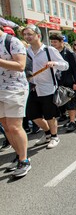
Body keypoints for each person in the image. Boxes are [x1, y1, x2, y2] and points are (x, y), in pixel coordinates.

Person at [22, 24, 69, 150]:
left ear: (38, 35)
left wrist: (55, 63)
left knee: (50, 115)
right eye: (25, 34)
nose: (27, 37)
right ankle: (47, 133)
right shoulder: (26, 52)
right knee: (33, 115)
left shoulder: (49, 50)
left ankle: (54, 136)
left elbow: (65, 65)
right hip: (32, 88)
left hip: (48, 88)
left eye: (30, 34)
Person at [0, 24, 31, 177]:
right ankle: (19, 155)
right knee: (6, 127)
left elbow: (20, 65)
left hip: (14, 88)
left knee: (14, 126)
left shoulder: (12, 42)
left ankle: (24, 160)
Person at [49, 33, 76, 133]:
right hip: (58, 82)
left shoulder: (69, 53)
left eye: (55, 42)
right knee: (63, 103)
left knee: (71, 102)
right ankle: (70, 118)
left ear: (61, 42)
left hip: (69, 82)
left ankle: (72, 122)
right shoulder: (51, 53)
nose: (53, 44)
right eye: (52, 42)